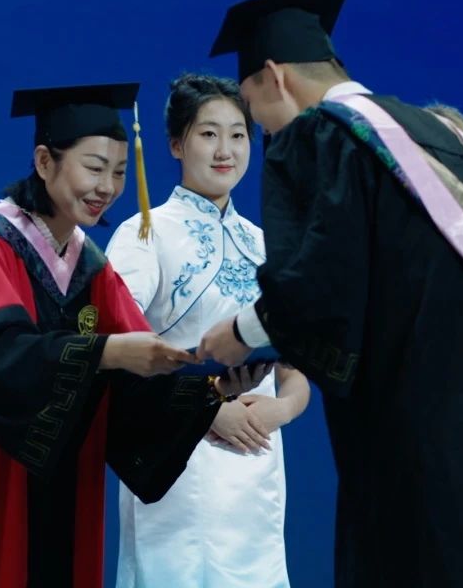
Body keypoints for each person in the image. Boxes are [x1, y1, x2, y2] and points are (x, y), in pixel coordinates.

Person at [198, 0, 463, 587]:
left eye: (251, 107)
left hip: (432, 412)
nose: (262, 127)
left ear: (274, 77)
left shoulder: (325, 136)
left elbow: (319, 282)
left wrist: (243, 332)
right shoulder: (443, 135)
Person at [0, 83, 260, 588]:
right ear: (44, 161)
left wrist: (211, 392)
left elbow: (133, 382)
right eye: (94, 168)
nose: (108, 187)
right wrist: (106, 351)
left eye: (118, 172)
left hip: (56, 485)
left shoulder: (90, 267)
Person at [107, 73, 310, 588]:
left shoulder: (265, 244)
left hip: (258, 460)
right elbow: (119, 347)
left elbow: (295, 366)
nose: (226, 150)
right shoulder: (145, 233)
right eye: (208, 134)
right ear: (177, 144)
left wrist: (283, 408)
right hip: (178, 454)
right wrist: (208, 408)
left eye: (238, 134)